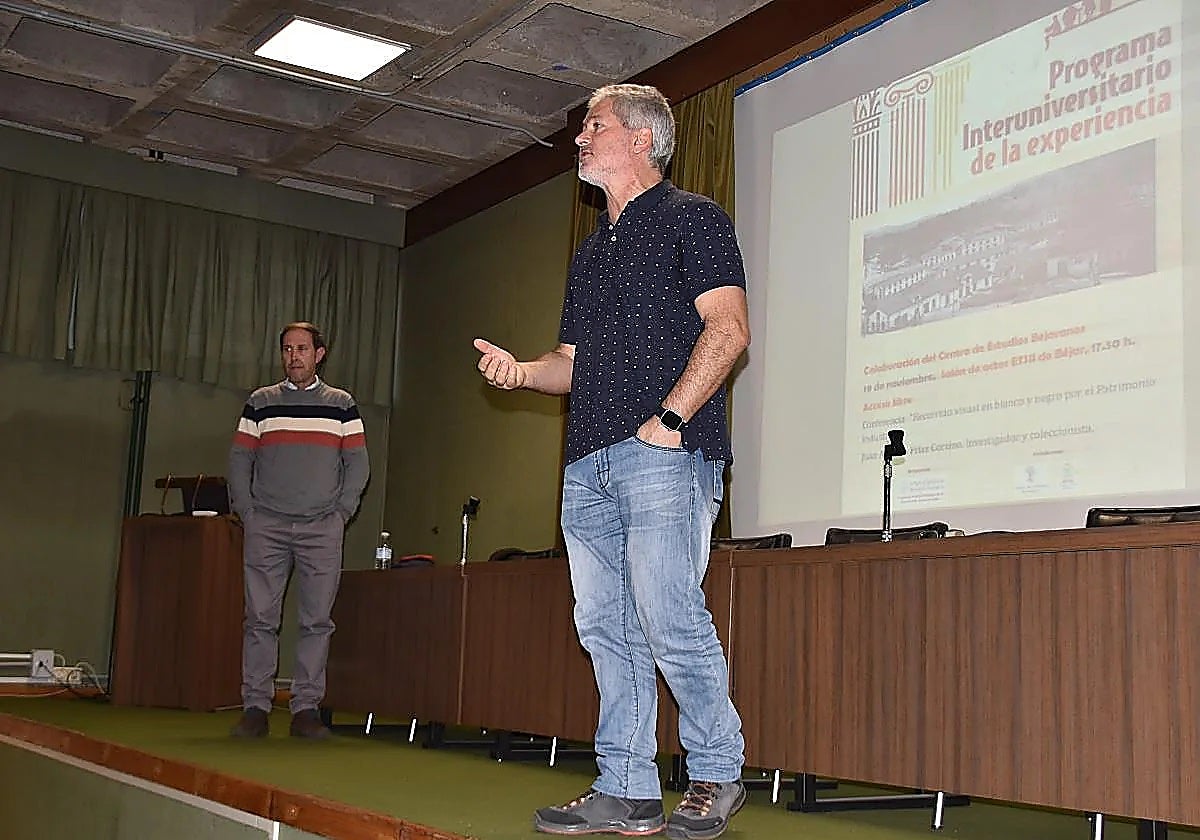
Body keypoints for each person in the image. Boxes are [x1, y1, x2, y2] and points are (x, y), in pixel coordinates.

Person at [474, 84, 750, 840]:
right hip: (586, 466)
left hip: (663, 454)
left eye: (593, 125)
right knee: (606, 630)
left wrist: (670, 420)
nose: (580, 138)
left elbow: (728, 329)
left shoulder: (695, 218)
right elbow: (570, 362)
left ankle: (717, 771)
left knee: (668, 617)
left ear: (640, 138)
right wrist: (521, 373)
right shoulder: (590, 253)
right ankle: (627, 789)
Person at [227, 322, 369, 740]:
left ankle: (306, 709)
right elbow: (239, 459)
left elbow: (358, 464)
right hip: (266, 526)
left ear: (318, 355)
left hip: (322, 528)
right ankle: (255, 707)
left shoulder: (342, 405)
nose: (294, 356)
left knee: (317, 621)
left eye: (302, 349)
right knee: (259, 620)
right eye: (287, 349)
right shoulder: (260, 403)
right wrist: (247, 511)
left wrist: (341, 513)